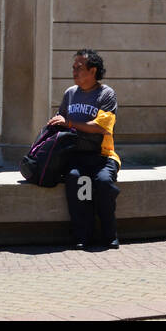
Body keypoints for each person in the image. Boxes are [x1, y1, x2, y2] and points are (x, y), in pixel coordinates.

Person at [48, 49, 120, 250]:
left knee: (104, 183)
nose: (74, 72)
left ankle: (109, 234)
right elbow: (60, 120)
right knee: (75, 181)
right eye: (73, 68)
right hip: (76, 157)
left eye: (78, 68)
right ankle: (82, 236)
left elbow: (101, 127)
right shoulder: (70, 93)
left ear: (93, 71)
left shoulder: (106, 94)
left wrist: (69, 122)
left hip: (103, 156)